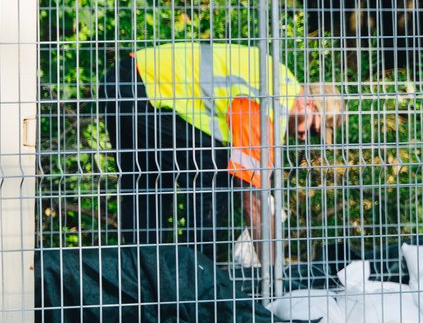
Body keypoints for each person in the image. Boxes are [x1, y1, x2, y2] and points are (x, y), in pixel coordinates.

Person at [100, 41, 344, 257]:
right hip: (142, 87)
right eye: (312, 128)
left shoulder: (279, 83)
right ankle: (196, 274)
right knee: (212, 170)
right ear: (309, 104)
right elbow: (253, 200)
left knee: (148, 184)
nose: (304, 137)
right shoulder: (271, 108)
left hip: (128, 80)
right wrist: (275, 278)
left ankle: (150, 282)